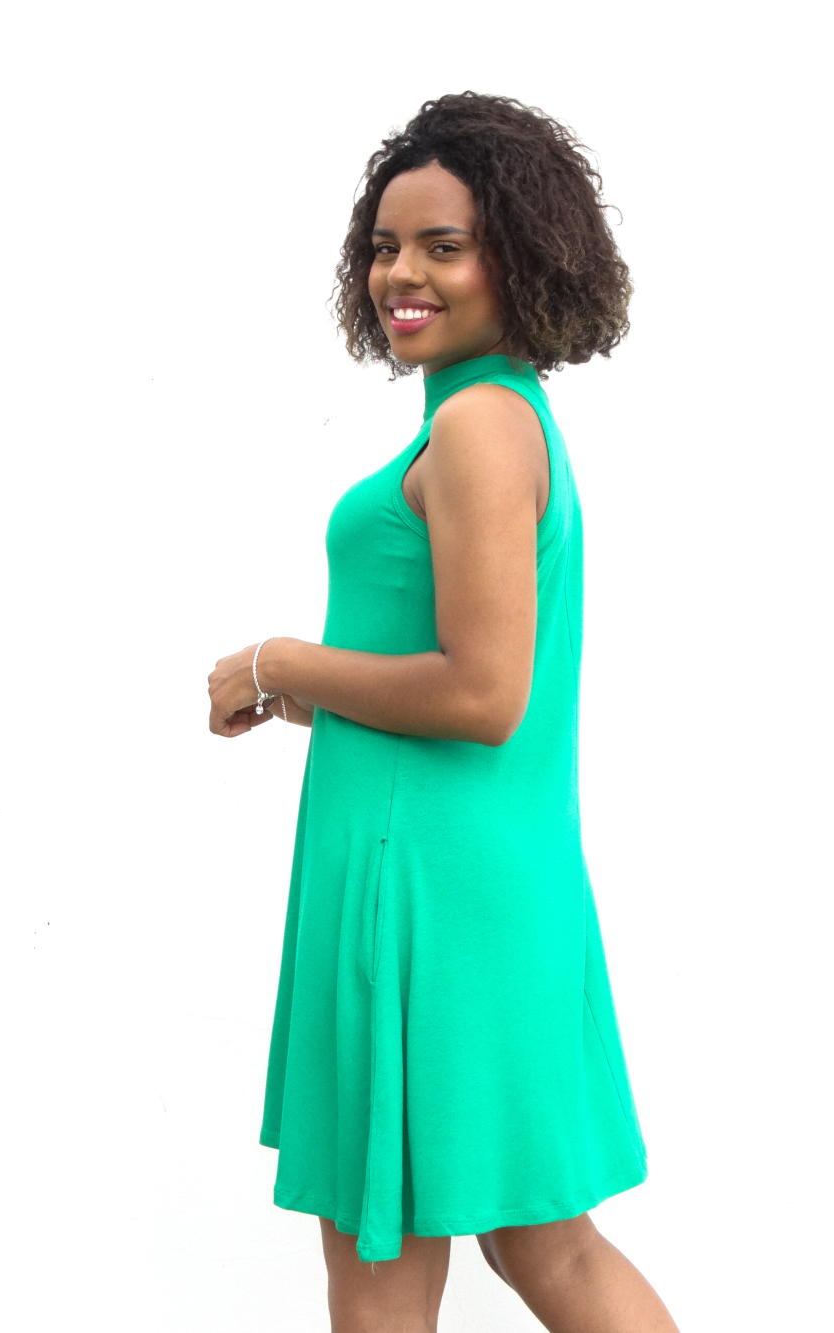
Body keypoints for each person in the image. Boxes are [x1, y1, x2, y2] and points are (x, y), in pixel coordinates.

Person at [208, 92, 679, 1333]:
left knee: (390, 1270)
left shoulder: (474, 427)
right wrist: (306, 699)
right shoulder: (502, 419)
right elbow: (455, 680)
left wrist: (280, 660)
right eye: (383, 246)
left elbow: (482, 693)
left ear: (522, 257)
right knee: (546, 1248)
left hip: (420, 892)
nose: (399, 274)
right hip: (475, 877)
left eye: (443, 245)